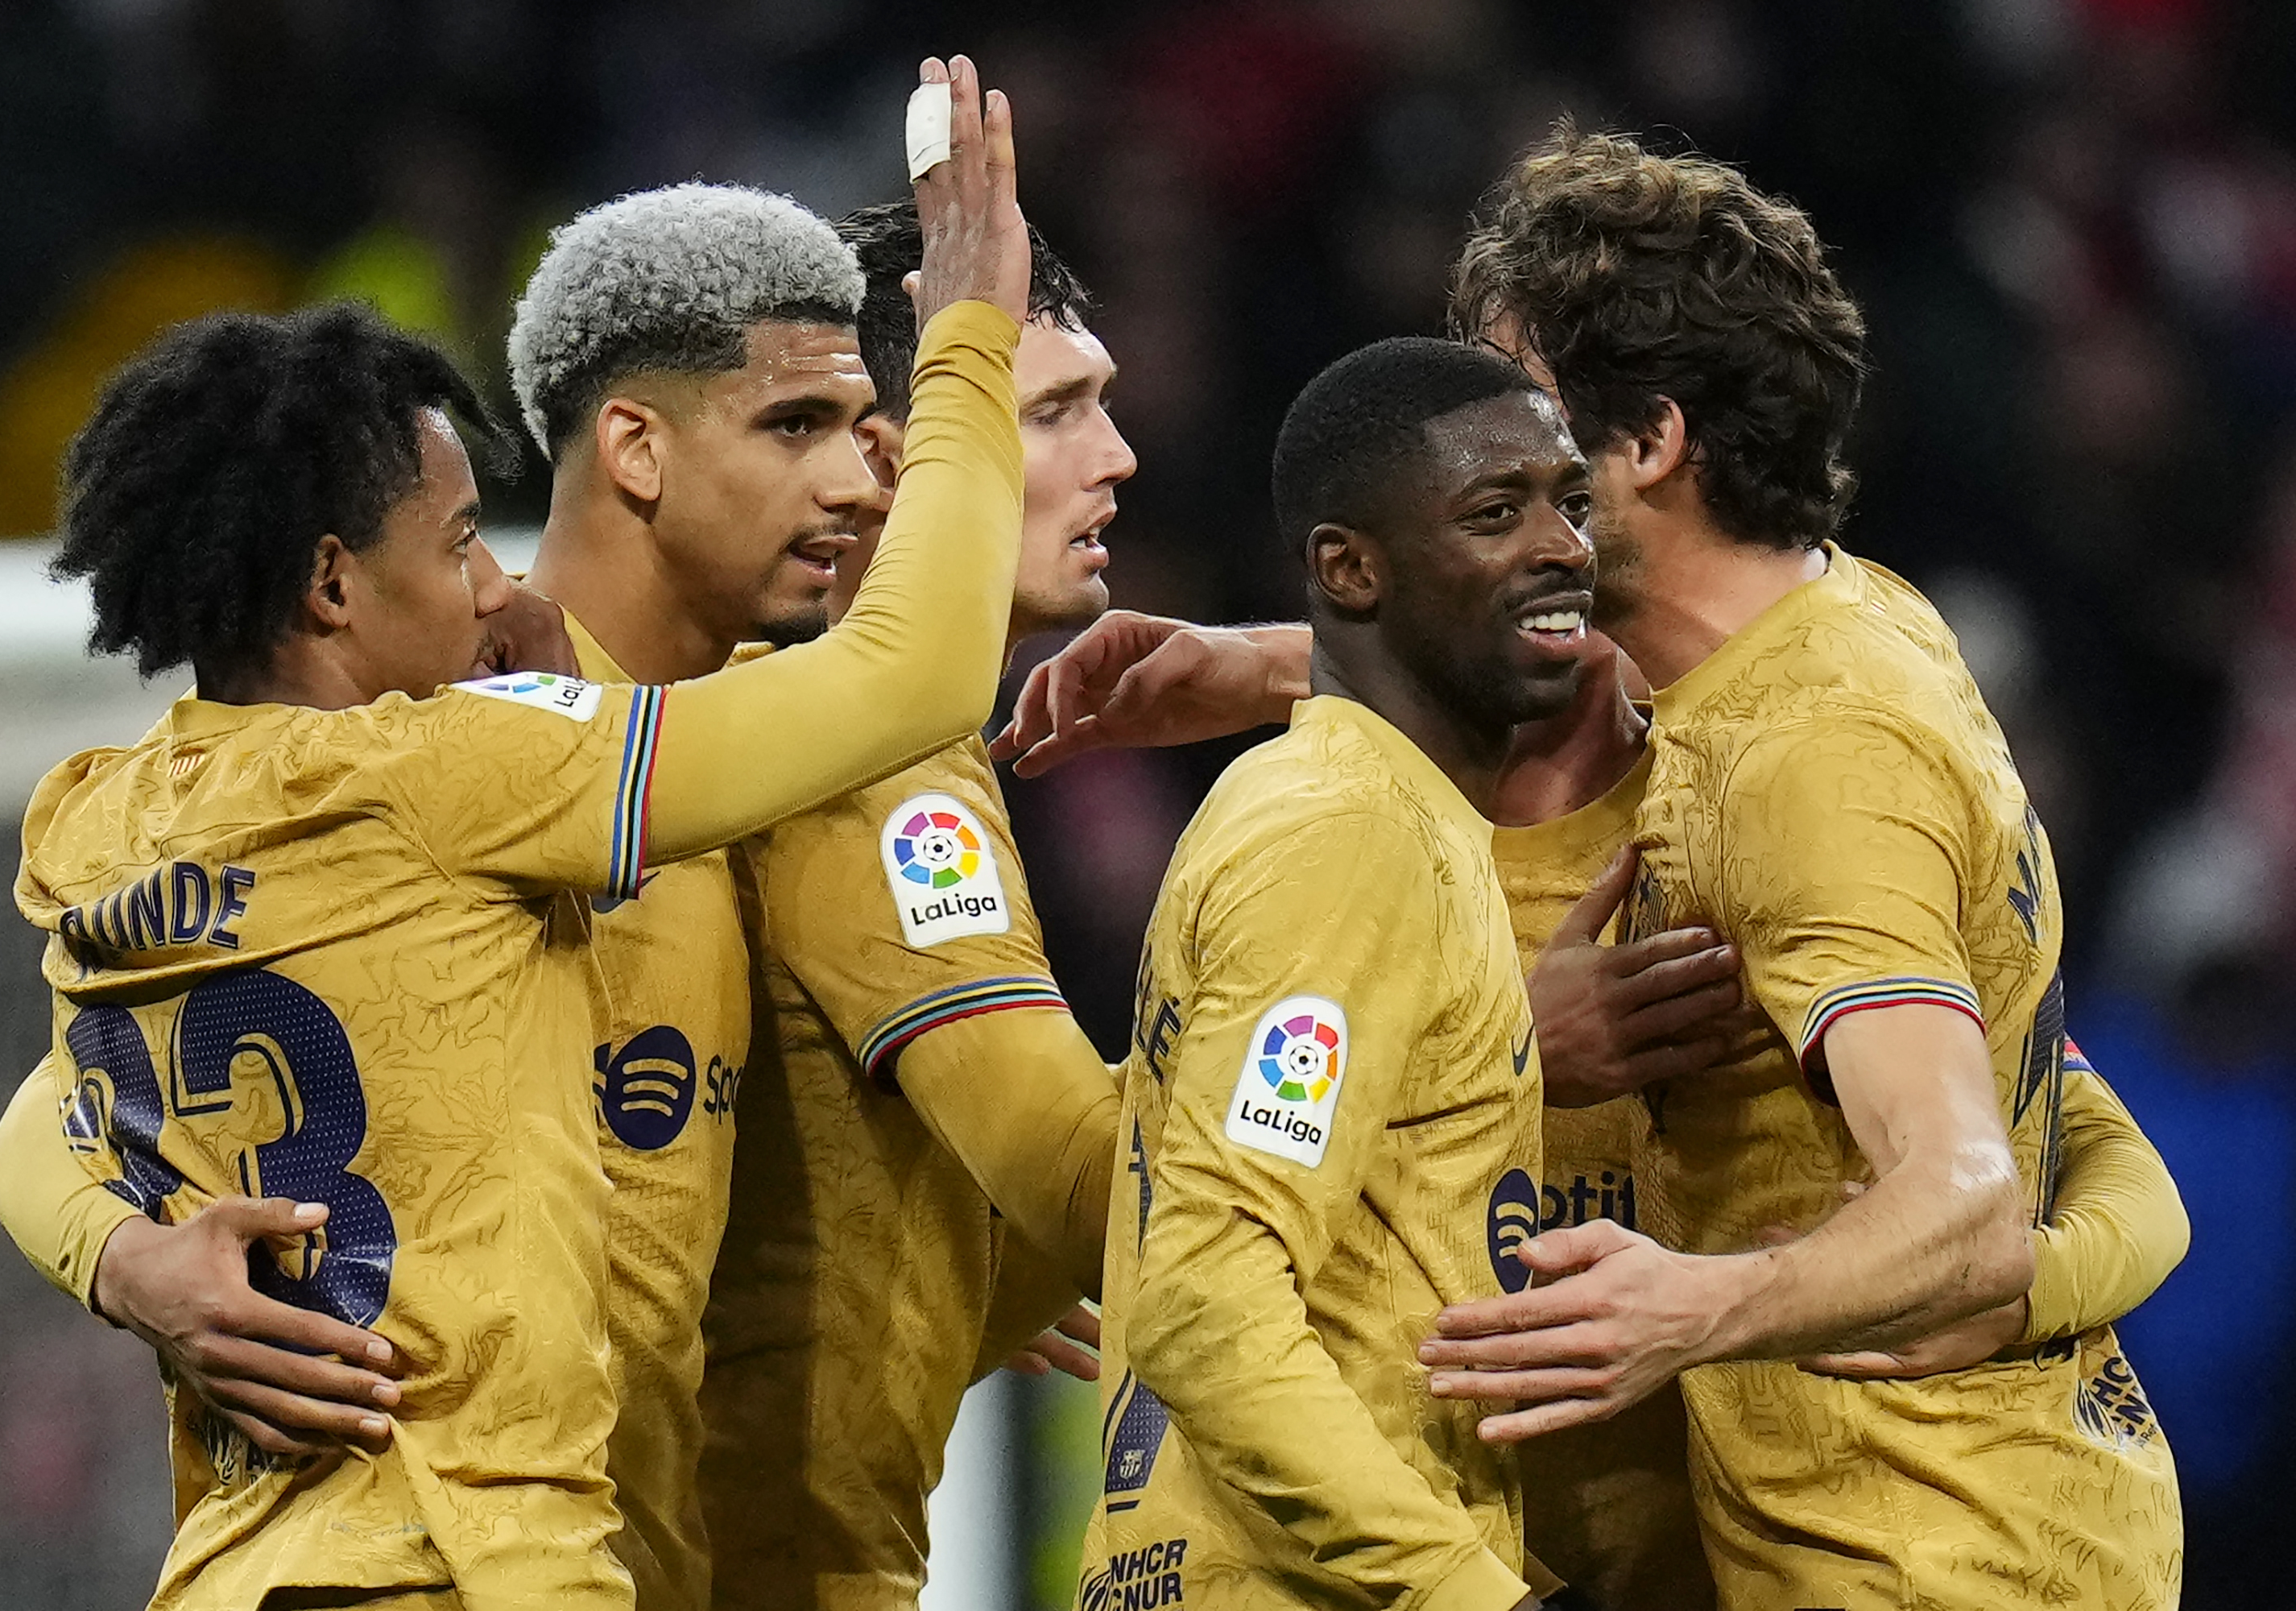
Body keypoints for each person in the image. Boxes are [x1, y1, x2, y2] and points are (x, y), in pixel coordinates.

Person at [1008, 125, 2186, 1610]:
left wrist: (1700, 1307)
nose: (1488, 441)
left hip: (1926, 1561)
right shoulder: (1832, 636)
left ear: (1650, 444)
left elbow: (1962, 1188)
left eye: (1529, 432)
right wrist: (1275, 661)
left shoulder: (1807, 759)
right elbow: (2081, 1135)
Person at [0, 55, 1033, 1611]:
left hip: (244, 1564)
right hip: (476, 1563)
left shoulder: (93, 816)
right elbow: (921, 671)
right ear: (334, 586)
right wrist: (967, 342)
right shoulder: (463, 772)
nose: (495, 585)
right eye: (463, 538)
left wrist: (119, 1255)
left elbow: (49, 1112)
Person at [1080, 336, 1596, 1611]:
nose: (1564, 547)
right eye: (1495, 512)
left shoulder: (1380, 815)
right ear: (1347, 570)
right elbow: (1207, 1298)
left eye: (1570, 503)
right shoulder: (1346, 830)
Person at [697, 197, 1132, 1611]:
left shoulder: (803, 741)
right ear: (903, 460)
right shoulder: (876, 777)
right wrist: (1471, 1030)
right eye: (1058, 410)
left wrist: (971, 1274)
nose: (1117, 459)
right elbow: (1084, 1173)